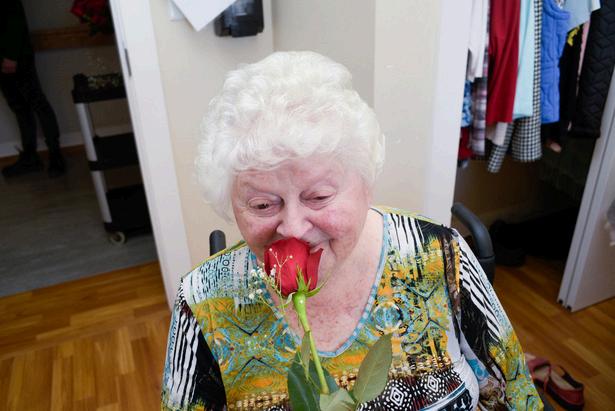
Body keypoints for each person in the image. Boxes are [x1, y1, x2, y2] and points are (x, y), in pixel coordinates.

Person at [161, 51, 542, 410]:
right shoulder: (203, 300)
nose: (292, 227)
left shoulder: (438, 256)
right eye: (262, 204)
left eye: (318, 196)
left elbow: (515, 394)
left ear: (366, 185)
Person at [0, 0, 65, 178]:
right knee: (19, 107)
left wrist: (11, 55)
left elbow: (15, 19)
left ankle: (56, 156)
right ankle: (30, 158)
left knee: (37, 102)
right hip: (4, 57)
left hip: (16, 56)